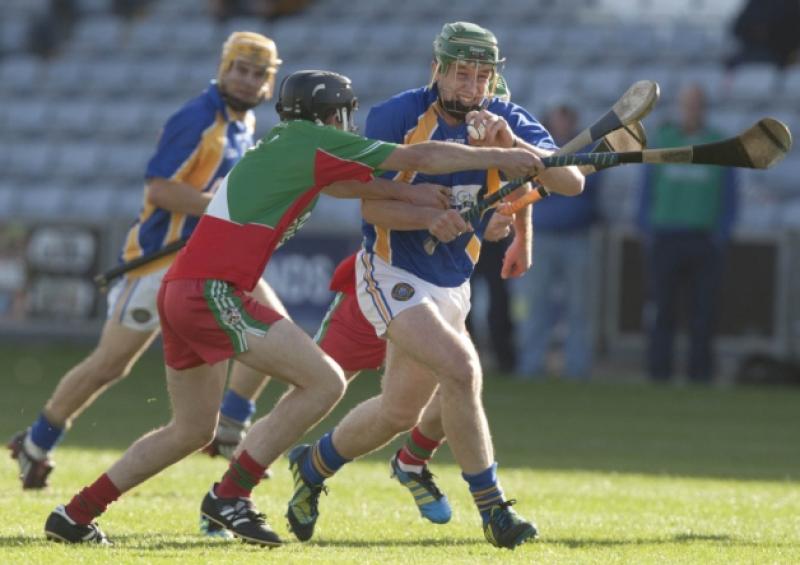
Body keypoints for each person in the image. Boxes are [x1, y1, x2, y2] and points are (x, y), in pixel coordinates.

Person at [44, 68, 544, 546]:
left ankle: (75, 514)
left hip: (181, 289)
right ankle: (231, 495)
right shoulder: (316, 140)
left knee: (191, 429)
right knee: (324, 381)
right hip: (214, 291)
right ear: (328, 115)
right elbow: (424, 156)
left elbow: (354, 186)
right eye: (342, 114)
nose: (347, 122)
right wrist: (502, 157)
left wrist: (420, 200)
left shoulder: (290, 145)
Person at [283, 22, 583, 550]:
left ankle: (312, 465)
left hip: (452, 280)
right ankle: (494, 510)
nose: (471, 87)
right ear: (437, 70)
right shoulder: (398, 116)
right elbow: (371, 204)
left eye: (482, 76)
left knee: (399, 411)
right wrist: (425, 220)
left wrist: (506, 166)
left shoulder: (506, 118)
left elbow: (569, 181)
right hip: (391, 270)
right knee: (463, 370)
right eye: (461, 73)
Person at [7, 31, 286, 490]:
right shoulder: (197, 118)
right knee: (110, 364)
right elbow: (159, 189)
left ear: (269, 83)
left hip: (210, 264)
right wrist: (222, 208)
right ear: (223, 67)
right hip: (157, 264)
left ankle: (231, 426)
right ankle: (36, 442)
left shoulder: (244, 124)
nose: (247, 80)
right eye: (240, 68)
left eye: (258, 73)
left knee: (274, 322)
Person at [638, 83, 738, 383]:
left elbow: (730, 195)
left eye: (697, 104)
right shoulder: (664, 141)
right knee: (662, 309)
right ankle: (659, 373)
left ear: (704, 108)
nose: (692, 110)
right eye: (687, 104)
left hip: (704, 238)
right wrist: (647, 228)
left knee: (703, 311)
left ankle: (700, 374)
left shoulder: (717, 144)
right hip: (666, 237)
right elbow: (646, 190)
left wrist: (722, 233)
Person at [514, 103, 600, 380]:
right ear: (549, 117)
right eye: (558, 113)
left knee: (579, 307)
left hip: (577, 236)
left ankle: (577, 368)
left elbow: (591, 190)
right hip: (541, 237)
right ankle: (530, 365)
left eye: (567, 113)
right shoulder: (535, 147)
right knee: (536, 303)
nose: (563, 119)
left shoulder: (586, 149)